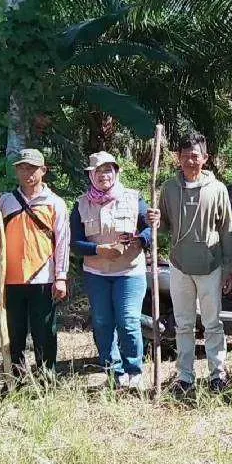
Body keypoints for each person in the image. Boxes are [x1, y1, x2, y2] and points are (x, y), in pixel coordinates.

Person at [146, 133, 232, 396]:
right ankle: (185, 377)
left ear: (205, 158)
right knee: (183, 323)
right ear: (178, 158)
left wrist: (229, 267)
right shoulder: (170, 188)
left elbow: (227, 229)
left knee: (212, 323)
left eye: (195, 156)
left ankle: (218, 375)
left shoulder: (217, 188)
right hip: (179, 265)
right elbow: (162, 228)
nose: (190, 161)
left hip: (210, 266)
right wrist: (154, 220)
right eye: (185, 156)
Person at [0, 149, 70, 380]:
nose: (27, 172)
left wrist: (61, 277)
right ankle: (17, 378)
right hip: (11, 277)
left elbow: (63, 242)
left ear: (43, 170)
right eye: (22, 167)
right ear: (16, 171)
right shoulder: (5, 201)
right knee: (15, 332)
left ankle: (46, 378)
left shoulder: (55, 203)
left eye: (32, 168)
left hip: (43, 276)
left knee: (44, 332)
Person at [70, 152, 152, 391]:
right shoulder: (81, 204)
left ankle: (134, 371)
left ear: (116, 172)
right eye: (98, 171)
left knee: (128, 320)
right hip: (97, 273)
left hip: (129, 272)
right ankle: (113, 371)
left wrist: (141, 240)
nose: (104, 175)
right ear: (91, 175)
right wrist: (98, 249)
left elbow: (151, 230)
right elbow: (74, 243)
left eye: (108, 170)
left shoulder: (134, 198)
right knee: (103, 322)